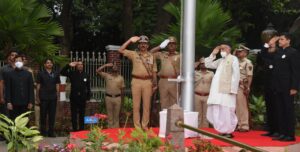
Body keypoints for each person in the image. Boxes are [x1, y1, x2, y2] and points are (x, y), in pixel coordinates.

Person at [119, 35, 157, 130]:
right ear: (138, 45)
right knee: (136, 106)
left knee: (146, 106)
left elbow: (154, 71)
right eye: (141, 44)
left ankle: (144, 126)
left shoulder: (152, 56)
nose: (143, 45)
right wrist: (130, 40)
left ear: (148, 45)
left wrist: (155, 84)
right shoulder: (134, 54)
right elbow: (120, 50)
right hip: (136, 81)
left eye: (145, 43)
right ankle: (137, 127)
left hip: (148, 82)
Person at [204, 43, 240, 138]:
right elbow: (208, 64)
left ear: (229, 49)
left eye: (224, 49)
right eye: (221, 49)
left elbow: (236, 75)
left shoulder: (233, 59)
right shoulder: (220, 60)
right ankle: (222, 130)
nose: (222, 51)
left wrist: (233, 89)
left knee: (227, 110)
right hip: (217, 90)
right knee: (218, 109)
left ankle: (228, 131)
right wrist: (213, 53)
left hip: (227, 91)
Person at [271, 33, 300, 141]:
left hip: (288, 86)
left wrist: (294, 87)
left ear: (288, 40)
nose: (280, 41)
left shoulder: (293, 52)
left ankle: (290, 134)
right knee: (280, 109)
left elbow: (296, 71)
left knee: (288, 110)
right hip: (278, 86)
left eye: (282, 39)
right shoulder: (279, 52)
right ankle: (282, 132)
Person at [257, 36, 280, 137]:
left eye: (272, 45)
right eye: (269, 46)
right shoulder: (266, 55)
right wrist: (267, 44)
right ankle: (271, 130)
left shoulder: (279, 55)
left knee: (277, 109)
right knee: (269, 108)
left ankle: (278, 130)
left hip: (277, 86)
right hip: (268, 86)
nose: (270, 47)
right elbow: (262, 56)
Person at [150, 36, 180, 109]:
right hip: (163, 81)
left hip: (175, 81)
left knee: (175, 102)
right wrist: (160, 46)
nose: (171, 45)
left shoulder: (180, 55)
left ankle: (174, 120)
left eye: (173, 43)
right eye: (169, 43)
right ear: (166, 45)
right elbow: (150, 53)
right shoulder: (162, 54)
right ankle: (164, 120)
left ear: (176, 45)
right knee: (163, 102)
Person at [61, 61, 91, 131]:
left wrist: (88, 97)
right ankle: (75, 130)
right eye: (79, 65)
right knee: (74, 114)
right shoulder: (72, 73)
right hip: (74, 97)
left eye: (82, 64)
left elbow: (88, 87)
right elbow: (62, 72)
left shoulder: (86, 75)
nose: (80, 66)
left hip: (82, 98)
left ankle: (81, 129)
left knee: (82, 114)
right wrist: (68, 65)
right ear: (76, 66)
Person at [5, 55, 34, 120]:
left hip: (26, 103)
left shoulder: (28, 74)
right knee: (13, 121)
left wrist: (31, 101)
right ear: (14, 62)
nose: (18, 62)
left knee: (25, 121)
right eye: (16, 61)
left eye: (20, 61)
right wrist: (8, 102)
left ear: (23, 62)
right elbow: (8, 89)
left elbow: (31, 89)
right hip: (13, 103)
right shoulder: (9, 74)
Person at [96, 62, 125, 128]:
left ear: (118, 68)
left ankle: (115, 132)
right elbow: (97, 71)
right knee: (109, 116)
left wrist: (122, 101)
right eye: (113, 66)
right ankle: (110, 131)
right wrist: (105, 65)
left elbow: (122, 90)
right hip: (108, 98)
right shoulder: (107, 75)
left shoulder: (121, 78)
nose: (115, 67)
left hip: (118, 98)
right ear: (111, 68)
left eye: (116, 66)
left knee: (116, 116)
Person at [36, 59, 60, 137]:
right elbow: (38, 86)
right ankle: (43, 132)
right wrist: (37, 97)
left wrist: (58, 95)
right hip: (43, 97)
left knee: (52, 115)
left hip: (53, 97)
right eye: (47, 63)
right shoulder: (41, 73)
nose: (49, 64)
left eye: (50, 63)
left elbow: (57, 85)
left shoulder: (56, 73)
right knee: (43, 115)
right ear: (44, 64)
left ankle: (51, 132)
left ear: (52, 64)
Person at [234, 45, 253, 132]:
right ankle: (239, 124)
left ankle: (245, 125)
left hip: (242, 85)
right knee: (237, 106)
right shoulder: (235, 61)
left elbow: (249, 76)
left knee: (242, 105)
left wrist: (248, 87)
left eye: (240, 51)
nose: (238, 53)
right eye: (238, 51)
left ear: (245, 53)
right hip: (234, 85)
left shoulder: (248, 62)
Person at [0, 50, 18, 141]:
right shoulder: (3, 69)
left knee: (15, 116)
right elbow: (1, 83)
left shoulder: (20, 68)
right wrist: (1, 96)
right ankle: (3, 135)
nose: (13, 57)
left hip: (17, 96)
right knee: (5, 116)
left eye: (15, 55)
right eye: (12, 55)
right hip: (6, 96)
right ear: (8, 57)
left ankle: (13, 135)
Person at [194, 57, 214, 128]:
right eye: (202, 63)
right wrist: (194, 65)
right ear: (199, 64)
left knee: (206, 115)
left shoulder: (211, 73)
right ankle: (197, 130)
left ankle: (206, 131)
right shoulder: (195, 73)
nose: (203, 65)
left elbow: (214, 85)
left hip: (207, 96)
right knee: (197, 114)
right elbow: (186, 73)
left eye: (205, 63)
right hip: (197, 95)